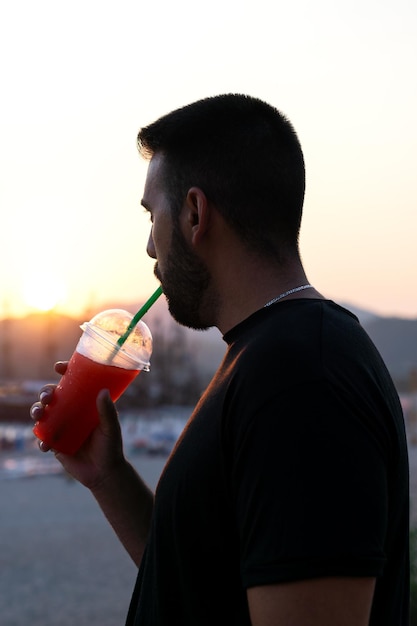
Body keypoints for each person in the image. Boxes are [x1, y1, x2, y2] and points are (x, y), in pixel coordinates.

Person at [30, 94, 410, 625]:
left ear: (193, 213)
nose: (149, 248)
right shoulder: (266, 355)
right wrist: (107, 475)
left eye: (151, 216)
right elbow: (197, 582)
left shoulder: (303, 379)